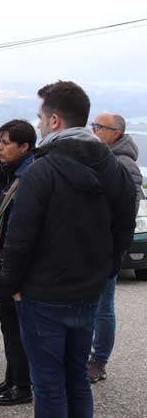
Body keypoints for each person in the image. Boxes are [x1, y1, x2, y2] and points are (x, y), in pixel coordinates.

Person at [0, 81, 137, 418]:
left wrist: (10, 287)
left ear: (55, 120)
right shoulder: (111, 166)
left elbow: (21, 237)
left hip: (43, 293)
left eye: (40, 118)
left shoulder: (43, 168)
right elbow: (124, 225)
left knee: (50, 383)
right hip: (87, 291)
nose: (38, 125)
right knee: (75, 379)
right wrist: (105, 271)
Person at [0, 120, 36, 406]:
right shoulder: (6, 175)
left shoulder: (27, 179)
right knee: (9, 328)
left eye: (6, 142)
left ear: (24, 147)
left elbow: (23, 233)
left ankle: (22, 386)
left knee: (17, 330)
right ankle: (13, 378)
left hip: (16, 271)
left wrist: (15, 278)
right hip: (1, 265)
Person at [87, 112, 144, 383]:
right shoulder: (99, 158)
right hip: (88, 247)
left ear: (115, 134)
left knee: (103, 307)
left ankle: (99, 360)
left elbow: (127, 214)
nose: (93, 130)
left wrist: (111, 248)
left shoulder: (123, 164)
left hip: (105, 249)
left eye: (98, 127)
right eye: (93, 125)